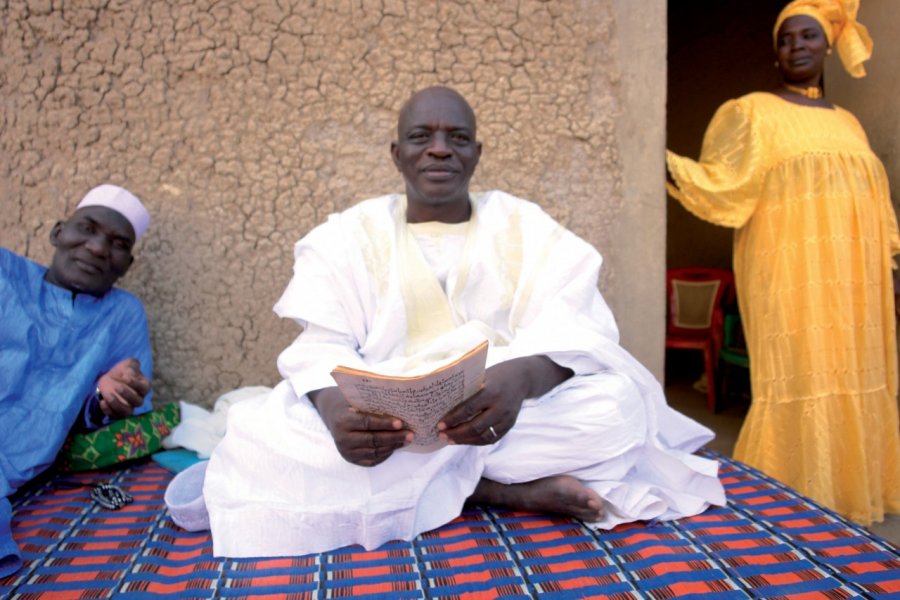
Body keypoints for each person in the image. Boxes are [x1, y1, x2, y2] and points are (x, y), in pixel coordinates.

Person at [202, 86, 726, 558]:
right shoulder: (348, 236)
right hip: (391, 430)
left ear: (477, 153)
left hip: (503, 420)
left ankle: (447, 485)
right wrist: (339, 412)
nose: (438, 148)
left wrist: (522, 378)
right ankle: (496, 492)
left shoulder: (524, 225)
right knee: (256, 431)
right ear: (396, 154)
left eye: (457, 137)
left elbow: (579, 327)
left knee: (617, 411)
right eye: (420, 136)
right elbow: (320, 347)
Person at [666, 0, 899, 525]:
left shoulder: (851, 125)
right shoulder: (753, 113)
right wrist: (652, 159)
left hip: (856, 281)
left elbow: (877, 206)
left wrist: (889, 265)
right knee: (797, 375)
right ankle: (791, 500)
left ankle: (849, 492)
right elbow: (722, 186)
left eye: (808, 36)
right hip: (791, 278)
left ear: (827, 46)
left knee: (857, 371)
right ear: (776, 52)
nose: (797, 46)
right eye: (786, 38)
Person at [0, 184, 154, 577]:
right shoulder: (5, 272)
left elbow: (122, 416)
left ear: (127, 265)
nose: (99, 248)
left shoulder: (122, 314)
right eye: (86, 228)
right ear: (57, 233)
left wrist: (105, 399)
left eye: (117, 244)